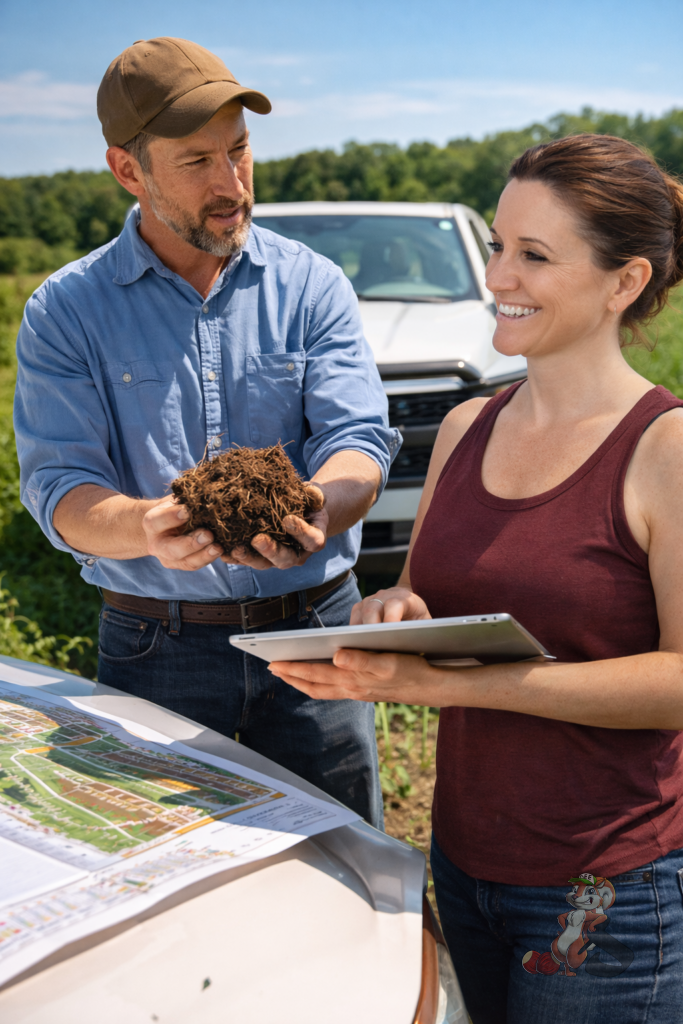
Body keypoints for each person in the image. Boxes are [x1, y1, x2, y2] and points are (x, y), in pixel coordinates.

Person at [269, 134, 683, 1022]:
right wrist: (393, 611)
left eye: (534, 256)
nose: (498, 277)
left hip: (605, 889)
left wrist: (446, 683)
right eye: (498, 245)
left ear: (625, 282)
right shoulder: (466, 427)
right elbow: (423, 594)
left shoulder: (665, 450)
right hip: (462, 862)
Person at [14, 37, 400, 829]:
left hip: (314, 633)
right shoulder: (66, 310)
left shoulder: (312, 285)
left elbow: (357, 436)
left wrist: (321, 508)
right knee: (155, 866)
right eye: (196, 162)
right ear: (129, 170)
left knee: (338, 865)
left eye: (240, 151)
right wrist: (151, 529)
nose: (231, 185)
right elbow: (60, 488)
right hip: (155, 645)